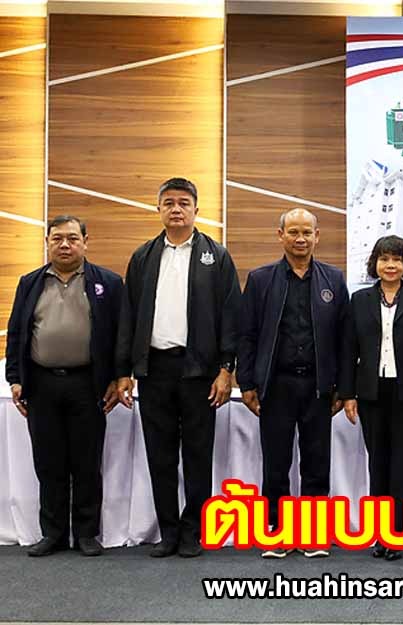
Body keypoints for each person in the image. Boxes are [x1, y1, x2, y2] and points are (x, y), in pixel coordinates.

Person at [115, 177, 242, 558]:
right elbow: (128, 316)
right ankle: (168, 531)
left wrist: (226, 369)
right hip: (154, 370)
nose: (176, 209)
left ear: (196, 210)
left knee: (199, 454)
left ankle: (192, 531)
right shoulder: (143, 257)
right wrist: (124, 371)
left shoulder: (216, 256)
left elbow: (230, 316)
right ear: (158, 209)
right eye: (169, 202)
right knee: (160, 454)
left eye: (183, 203)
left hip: (200, 371)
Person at [6, 216, 123, 557]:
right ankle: (53, 534)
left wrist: (119, 376)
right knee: (49, 462)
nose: (65, 245)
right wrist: (15, 378)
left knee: (87, 462)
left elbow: (121, 335)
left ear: (86, 241)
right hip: (42, 384)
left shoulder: (108, 283)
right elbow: (17, 333)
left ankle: (86, 534)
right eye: (57, 238)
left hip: (88, 384)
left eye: (72, 238)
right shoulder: (30, 282)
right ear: (47, 242)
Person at [237, 208, 349, 559]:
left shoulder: (334, 279)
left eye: (307, 233)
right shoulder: (260, 279)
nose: (300, 239)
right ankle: (277, 531)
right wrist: (247, 383)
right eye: (294, 232)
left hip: (319, 387)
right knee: (276, 463)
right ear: (280, 235)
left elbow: (345, 339)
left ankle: (313, 534)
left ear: (317, 236)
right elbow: (247, 334)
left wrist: (343, 387)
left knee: (317, 463)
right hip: (276, 386)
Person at [341, 235, 403, 561]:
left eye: (397, 259)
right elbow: (349, 350)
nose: (390, 265)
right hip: (371, 392)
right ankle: (380, 534)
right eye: (384, 259)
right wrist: (348, 394)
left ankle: (399, 534)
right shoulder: (359, 299)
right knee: (378, 463)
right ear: (376, 263)